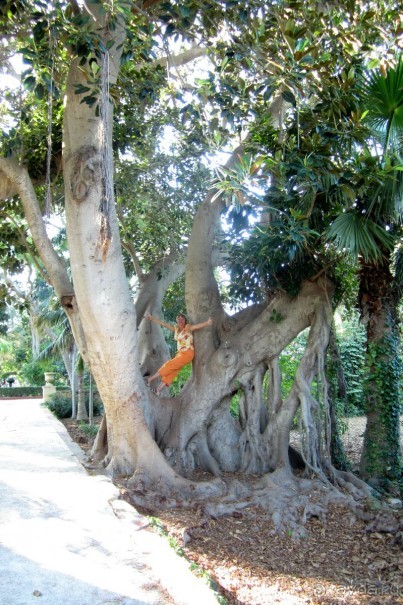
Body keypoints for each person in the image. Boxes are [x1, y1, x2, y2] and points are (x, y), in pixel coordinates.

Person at [145, 313, 212, 395]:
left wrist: (207, 323)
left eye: (182, 319)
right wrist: (152, 318)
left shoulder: (188, 327)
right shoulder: (176, 329)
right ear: (176, 320)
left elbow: (197, 326)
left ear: (185, 320)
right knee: (173, 371)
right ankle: (158, 390)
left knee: (168, 365)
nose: (180, 320)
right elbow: (164, 324)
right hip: (180, 354)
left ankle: (149, 380)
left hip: (187, 353)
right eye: (178, 319)